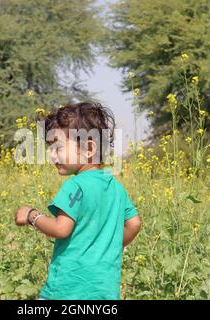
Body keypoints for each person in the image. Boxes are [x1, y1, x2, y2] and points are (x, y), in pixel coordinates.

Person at [14, 102, 142, 300]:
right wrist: (106, 248)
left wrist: (32, 215)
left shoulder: (76, 185)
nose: (51, 156)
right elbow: (134, 224)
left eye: (57, 147)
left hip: (68, 290)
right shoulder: (116, 187)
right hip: (104, 292)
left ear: (89, 148)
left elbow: (61, 229)